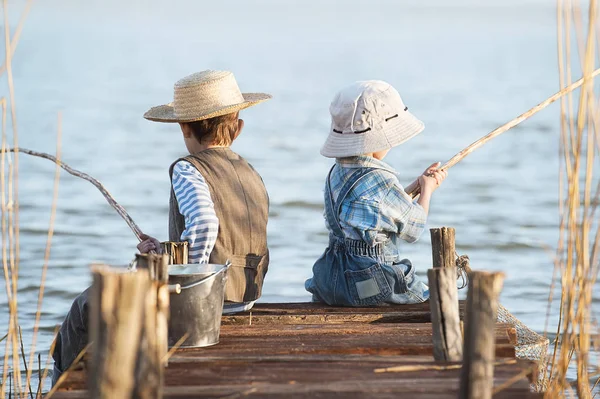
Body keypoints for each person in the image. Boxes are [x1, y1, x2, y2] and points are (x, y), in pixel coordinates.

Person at [52, 70, 271, 385]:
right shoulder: (249, 170)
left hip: (207, 303)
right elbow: (225, 236)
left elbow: (207, 225)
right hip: (246, 295)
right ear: (238, 128)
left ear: (184, 128)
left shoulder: (188, 169)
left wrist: (187, 276)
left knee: (85, 306)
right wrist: (166, 255)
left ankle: (62, 384)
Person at [305, 80, 447, 306]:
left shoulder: (337, 172)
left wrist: (416, 186)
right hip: (368, 284)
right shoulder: (382, 180)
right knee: (429, 295)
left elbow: (373, 208)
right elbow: (413, 229)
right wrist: (427, 191)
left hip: (333, 280)